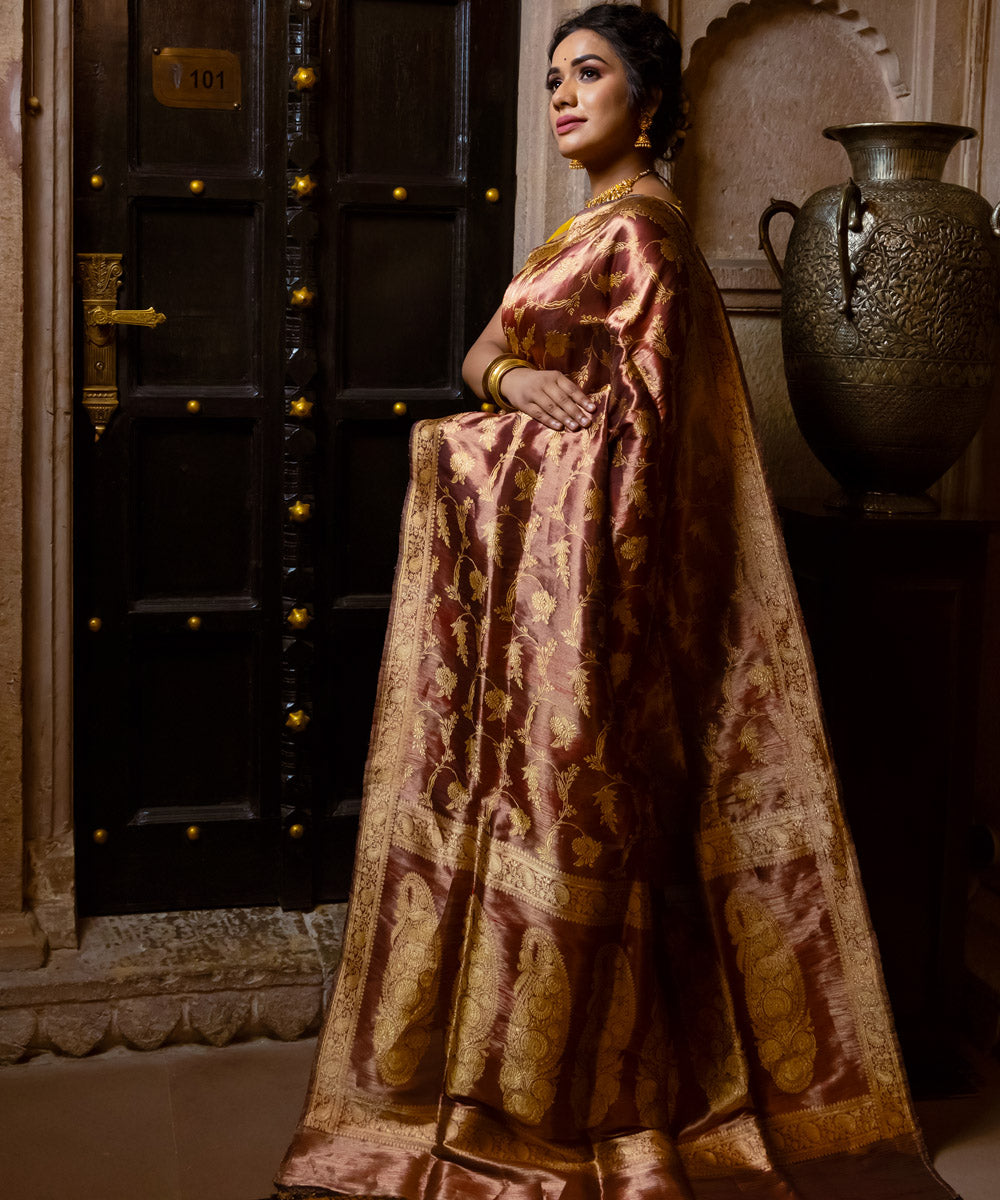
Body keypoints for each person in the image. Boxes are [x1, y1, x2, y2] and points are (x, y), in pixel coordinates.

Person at [276, 6, 958, 1198]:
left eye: (586, 75)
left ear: (648, 104)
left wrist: (461, 447)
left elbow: (629, 469)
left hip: (591, 614)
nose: (560, 94)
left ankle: (560, 1094)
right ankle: (506, 1069)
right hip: (544, 601)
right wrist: (509, 378)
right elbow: (486, 348)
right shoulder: (581, 229)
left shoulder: (642, 243)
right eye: (551, 76)